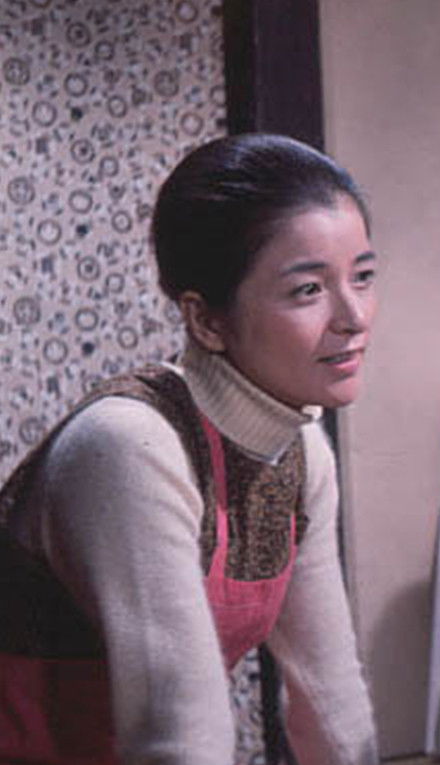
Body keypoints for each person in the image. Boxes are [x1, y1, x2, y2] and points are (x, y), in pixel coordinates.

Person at [0, 133, 380, 764]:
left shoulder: (301, 453)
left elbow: (330, 698)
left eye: (362, 277)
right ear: (206, 320)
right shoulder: (128, 447)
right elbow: (180, 733)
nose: (354, 316)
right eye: (308, 290)